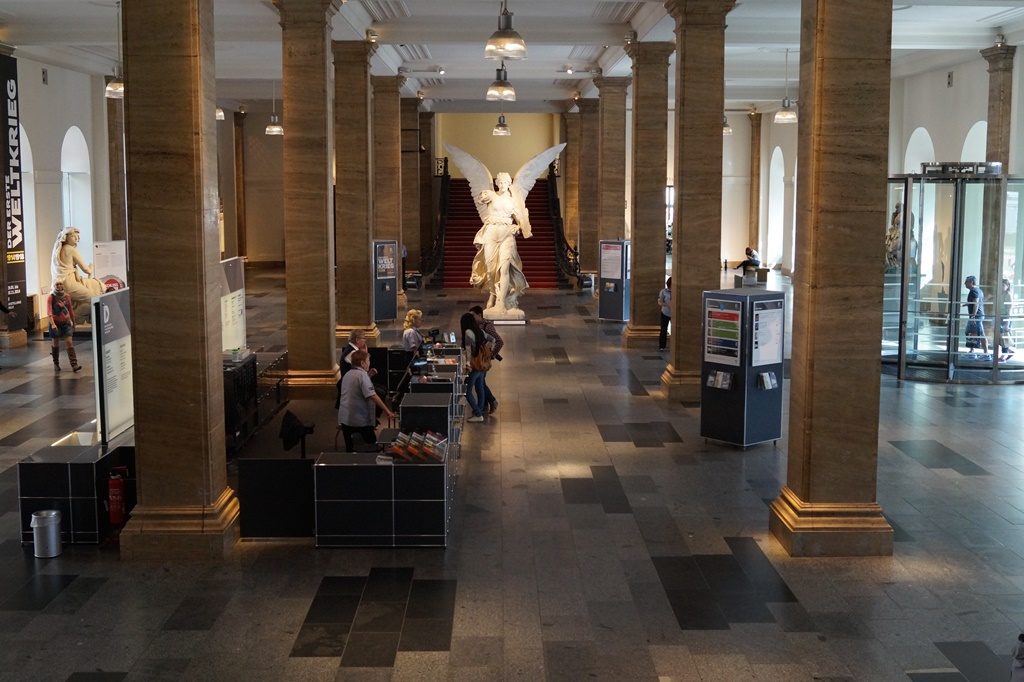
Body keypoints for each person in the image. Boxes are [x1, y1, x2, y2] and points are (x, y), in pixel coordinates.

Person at [472, 172, 529, 316]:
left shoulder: (513, 201)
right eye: (501, 182)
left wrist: (518, 227)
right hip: (491, 232)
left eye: (506, 182)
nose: (503, 185)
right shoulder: (492, 195)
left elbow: (520, 220)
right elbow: (479, 200)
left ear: (510, 184)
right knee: (491, 270)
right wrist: (483, 195)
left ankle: (501, 303)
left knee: (504, 268)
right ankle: (493, 294)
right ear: (497, 183)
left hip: (506, 234)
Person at [337, 349, 395, 452]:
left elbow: (357, 387)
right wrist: (388, 411)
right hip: (359, 421)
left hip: (345, 419)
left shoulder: (347, 374)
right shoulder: (362, 376)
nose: (369, 363)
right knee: (371, 448)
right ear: (362, 363)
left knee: (350, 450)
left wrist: (369, 375)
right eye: (368, 361)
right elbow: (372, 395)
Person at [50, 226, 105, 321]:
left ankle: (74, 316)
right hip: (69, 284)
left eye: (78, 238)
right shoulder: (70, 249)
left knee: (86, 297)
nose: (77, 240)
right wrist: (91, 267)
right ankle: (73, 318)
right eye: (75, 237)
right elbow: (86, 270)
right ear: (66, 237)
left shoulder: (59, 250)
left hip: (63, 283)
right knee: (94, 299)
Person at [470, 305, 501, 414]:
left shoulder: (487, 326)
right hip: (478, 358)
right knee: (480, 382)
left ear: (479, 315)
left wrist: (491, 354)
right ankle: (486, 404)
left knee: (480, 383)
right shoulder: (475, 326)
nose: (471, 317)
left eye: (473, 315)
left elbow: (499, 341)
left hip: (483, 360)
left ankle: (488, 403)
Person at [460, 312, 490, 423]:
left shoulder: (468, 332)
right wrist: (485, 354)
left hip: (475, 365)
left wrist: (468, 363)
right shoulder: (480, 331)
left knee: (467, 391)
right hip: (482, 364)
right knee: (480, 387)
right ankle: (480, 410)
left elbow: (468, 351)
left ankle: (478, 413)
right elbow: (491, 339)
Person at [335, 329, 375, 409]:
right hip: (351, 385)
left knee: (381, 389)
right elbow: (365, 369)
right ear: (357, 340)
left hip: (354, 381)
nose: (365, 341)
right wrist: (365, 353)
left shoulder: (352, 349)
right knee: (379, 392)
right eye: (364, 338)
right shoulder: (352, 353)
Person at [47, 280, 82, 373]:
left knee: (69, 342)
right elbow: (49, 312)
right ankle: (56, 363)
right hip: (55, 324)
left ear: (63, 285)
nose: (59, 286)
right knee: (55, 343)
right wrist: (53, 324)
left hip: (66, 323)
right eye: (56, 284)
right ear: (54, 286)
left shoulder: (67, 296)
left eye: (60, 284)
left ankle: (74, 365)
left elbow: (70, 310)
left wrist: (74, 323)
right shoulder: (51, 297)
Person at [964, 275, 988, 354]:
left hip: (976, 316)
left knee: (980, 333)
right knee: (970, 332)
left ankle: (986, 352)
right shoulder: (978, 290)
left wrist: (973, 316)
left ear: (971, 282)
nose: (965, 283)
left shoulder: (974, 291)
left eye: (966, 282)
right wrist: (966, 304)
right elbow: (974, 302)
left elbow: (976, 303)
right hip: (976, 316)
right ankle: (972, 350)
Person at [998, 278, 1016, 361]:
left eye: (1003, 285)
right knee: (1001, 336)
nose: (1001, 287)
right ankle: (1009, 351)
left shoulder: (1008, 294)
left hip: (1006, 317)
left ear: (1007, 286)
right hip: (1000, 316)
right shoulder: (1001, 294)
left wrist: (1007, 323)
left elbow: (1009, 309)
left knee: (1004, 336)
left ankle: (1004, 354)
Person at [658, 276, 672, 351]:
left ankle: (674, 345)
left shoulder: (678, 292)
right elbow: (660, 301)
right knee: (663, 329)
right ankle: (662, 346)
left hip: (674, 314)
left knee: (675, 330)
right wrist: (666, 305)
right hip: (665, 313)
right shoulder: (664, 291)